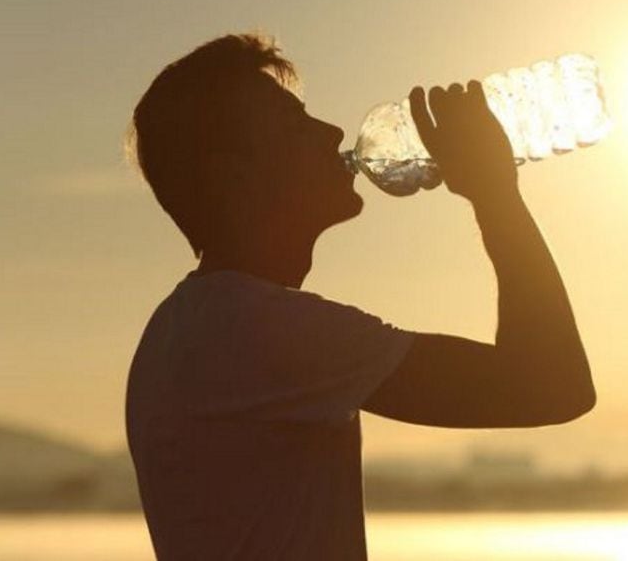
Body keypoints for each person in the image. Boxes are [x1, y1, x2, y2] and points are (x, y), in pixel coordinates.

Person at [124, 34, 595, 560]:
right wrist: (494, 191)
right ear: (236, 177)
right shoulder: (251, 328)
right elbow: (552, 387)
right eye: (295, 126)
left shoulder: (187, 327)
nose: (331, 133)